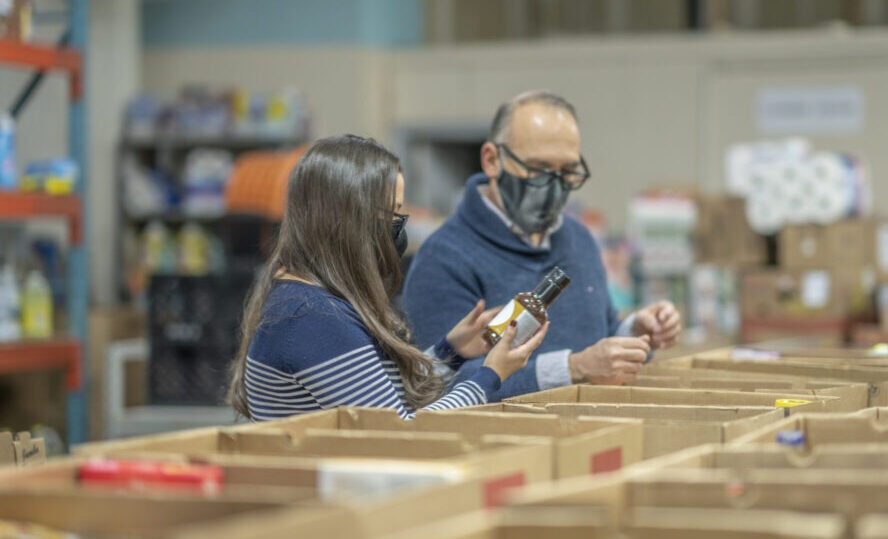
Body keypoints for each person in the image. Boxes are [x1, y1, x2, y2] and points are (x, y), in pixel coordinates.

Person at [227, 135, 548, 421]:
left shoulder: (307, 300)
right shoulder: (313, 318)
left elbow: (378, 395)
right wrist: (491, 375)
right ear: (351, 221)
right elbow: (400, 433)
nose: (398, 227)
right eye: (391, 215)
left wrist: (453, 351)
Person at [403, 91, 682, 400]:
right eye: (538, 169)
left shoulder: (579, 240)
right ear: (493, 160)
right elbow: (439, 386)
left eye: (567, 172)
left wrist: (635, 333)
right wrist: (573, 368)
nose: (553, 186)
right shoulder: (443, 259)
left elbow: (598, 335)